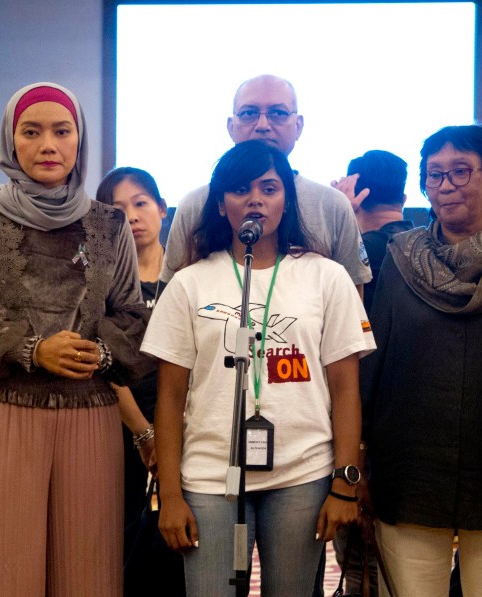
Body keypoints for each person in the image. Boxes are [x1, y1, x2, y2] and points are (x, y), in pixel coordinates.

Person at [0, 82, 152, 596]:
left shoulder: (109, 224)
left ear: (80, 141)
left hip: (91, 419)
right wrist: (32, 349)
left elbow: (133, 320)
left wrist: (99, 353)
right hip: (3, 416)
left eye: (62, 131)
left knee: (87, 577)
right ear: (12, 141)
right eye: (31, 132)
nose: (48, 145)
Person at [144, 140, 375, 596]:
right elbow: (169, 398)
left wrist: (345, 482)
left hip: (303, 473)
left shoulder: (326, 276)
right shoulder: (190, 282)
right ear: (221, 204)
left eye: (269, 188)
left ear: (286, 198)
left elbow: (347, 389)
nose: (255, 199)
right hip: (211, 476)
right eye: (240, 189)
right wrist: (169, 496)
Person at [361, 124, 482, 597]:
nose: (446, 185)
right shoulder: (398, 260)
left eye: (461, 171)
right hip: (409, 469)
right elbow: (373, 363)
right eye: (434, 175)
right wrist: (357, 456)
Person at [161, 74, 370, 296]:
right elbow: (171, 298)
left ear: (298, 126)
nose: (262, 125)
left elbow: (352, 304)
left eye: (277, 113)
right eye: (249, 113)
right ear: (231, 126)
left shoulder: (332, 205)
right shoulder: (195, 204)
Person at [95, 166, 185, 594]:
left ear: (163, 210)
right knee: (129, 549)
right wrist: (145, 434)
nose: (131, 216)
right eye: (117, 209)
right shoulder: (100, 286)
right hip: (122, 431)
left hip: (189, 429)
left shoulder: (187, 278)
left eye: (141, 204)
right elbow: (106, 366)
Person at [331, 149, 412, 312]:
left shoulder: (356, 252)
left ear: (357, 199)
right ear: (403, 199)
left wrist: (337, 211)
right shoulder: (424, 243)